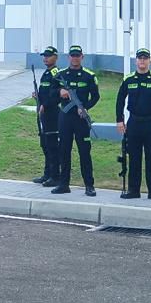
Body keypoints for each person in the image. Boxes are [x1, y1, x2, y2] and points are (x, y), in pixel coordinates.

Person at [115, 47, 151, 200]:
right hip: (133, 122)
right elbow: (120, 100)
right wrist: (119, 120)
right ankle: (133, 191)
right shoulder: (128, 79)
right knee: (134, 158)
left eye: (145, 58)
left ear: (149, 61)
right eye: (140, 58)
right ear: (136, 61)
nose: (142, 61)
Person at [52, 45, 100, 197]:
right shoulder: (60, 75)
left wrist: (85, 107)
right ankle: (63, 184)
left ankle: (89, 185)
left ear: (82, 57)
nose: (75, 58)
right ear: (68, 57)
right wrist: (61, 91)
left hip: (80, 119)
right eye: (72, 55)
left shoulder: (89, 76)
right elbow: (51, 94)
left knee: (85, 152)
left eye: (77, 55)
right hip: (65, 118)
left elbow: (96, 96)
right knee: (64, 151)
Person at [32, 46, 62, 186]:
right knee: (44, 144)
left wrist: (45, 104)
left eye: (48, 55)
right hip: (44, 113)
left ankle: (55, 176)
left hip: (52, 113)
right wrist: (37, 97)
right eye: (44, 55)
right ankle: (47, 174)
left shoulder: (56, 73)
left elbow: (56, 94)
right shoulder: (46, 73)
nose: (45, 58)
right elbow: (45, 92)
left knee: (52, 146)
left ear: (55, 57)